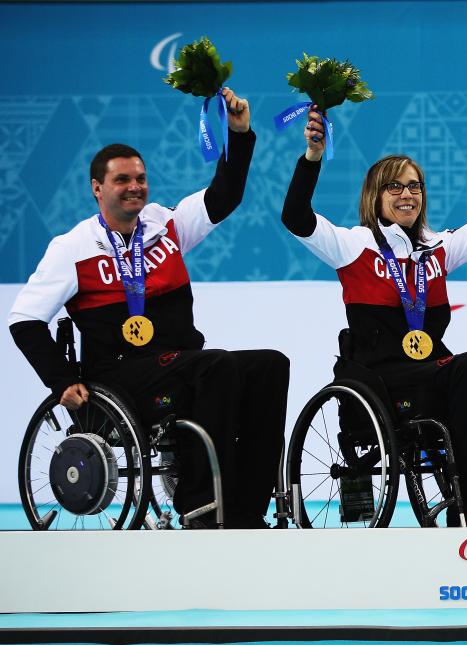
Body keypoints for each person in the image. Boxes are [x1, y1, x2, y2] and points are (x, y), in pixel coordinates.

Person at [9, 88, 288, 529]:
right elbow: (23, 319)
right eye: (122, 180)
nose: (135, 186)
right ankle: (201, 507)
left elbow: (225, 195)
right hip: (120, 375)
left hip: (179, 362)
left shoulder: (165, 224)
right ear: (97, 188)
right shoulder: (72, 248)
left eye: (140, 178)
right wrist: (61, 381)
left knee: (270, 365)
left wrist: (239, 134)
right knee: (213, 368)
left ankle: (247, 507)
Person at [281, 97, 467, 528]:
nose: (407, 194)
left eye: (415, 185)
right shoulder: (352, 245)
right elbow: (295, 216)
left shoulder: (437, 248)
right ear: (374, 196)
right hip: (382, 380)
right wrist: (312, 158)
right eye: (395, 187)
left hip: (431, 374)